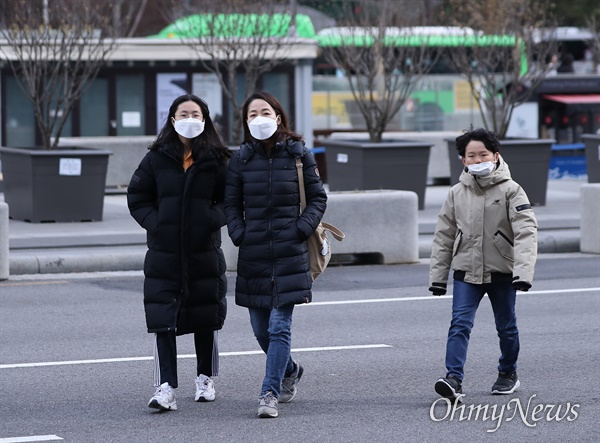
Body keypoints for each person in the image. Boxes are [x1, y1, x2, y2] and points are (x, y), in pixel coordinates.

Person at [224, 91, 327, 418]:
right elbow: (230, 204)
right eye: (252, 114)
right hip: (253, 253)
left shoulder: (298, 154)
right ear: (246, 122)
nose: (259, 118)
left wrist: (300, 228)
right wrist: (239, 233)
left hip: (289, 252)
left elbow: (317, 199)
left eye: (265, 111)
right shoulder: (240, 159)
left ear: (279, 116)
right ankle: (290, 369)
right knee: (260, 330)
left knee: (280, 327)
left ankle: (269, 393)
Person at [127, 94, 230, 411]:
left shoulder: (216, 158)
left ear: (204, 119)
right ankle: (165, 387)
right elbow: (138, 196)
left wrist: (210, 220)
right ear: (172, 120)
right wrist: (156, 225)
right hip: (165, 253)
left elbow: (229, 199)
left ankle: (205, 378)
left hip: (204, 251)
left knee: (205, 317)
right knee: (163, 320)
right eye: (183, 113)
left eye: (195, 113)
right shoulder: (157, 158)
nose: (189, 118)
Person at [429, 127, 537, 402]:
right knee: (459, 325)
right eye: (471, 156)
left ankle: (508, 372)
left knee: (506, 326)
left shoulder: (512, 190)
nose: (478, 160)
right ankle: (453, 379)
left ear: (496, 155)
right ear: (463, 161)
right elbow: (444, 236)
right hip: (466, 271)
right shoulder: (456, 193)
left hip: (503, 273)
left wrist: (523, 273)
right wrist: (438, 278)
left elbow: (526, 232)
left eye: (483, 154)